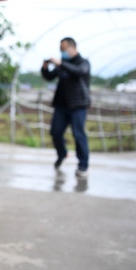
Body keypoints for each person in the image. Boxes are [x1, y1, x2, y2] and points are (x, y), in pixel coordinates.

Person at [41, 37, 91, 178]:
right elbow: (50, 76)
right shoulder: (63, 65)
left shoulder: (83, 62)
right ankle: (62, 154)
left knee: (78, 134)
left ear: (72, 48)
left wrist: (61, 63)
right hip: (61, 106)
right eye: (60, 50)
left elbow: (79, 71)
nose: (61, 52)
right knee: (55, 132)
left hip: (78, 106)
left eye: (63, 49)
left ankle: (83, 165)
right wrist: (45, 67)